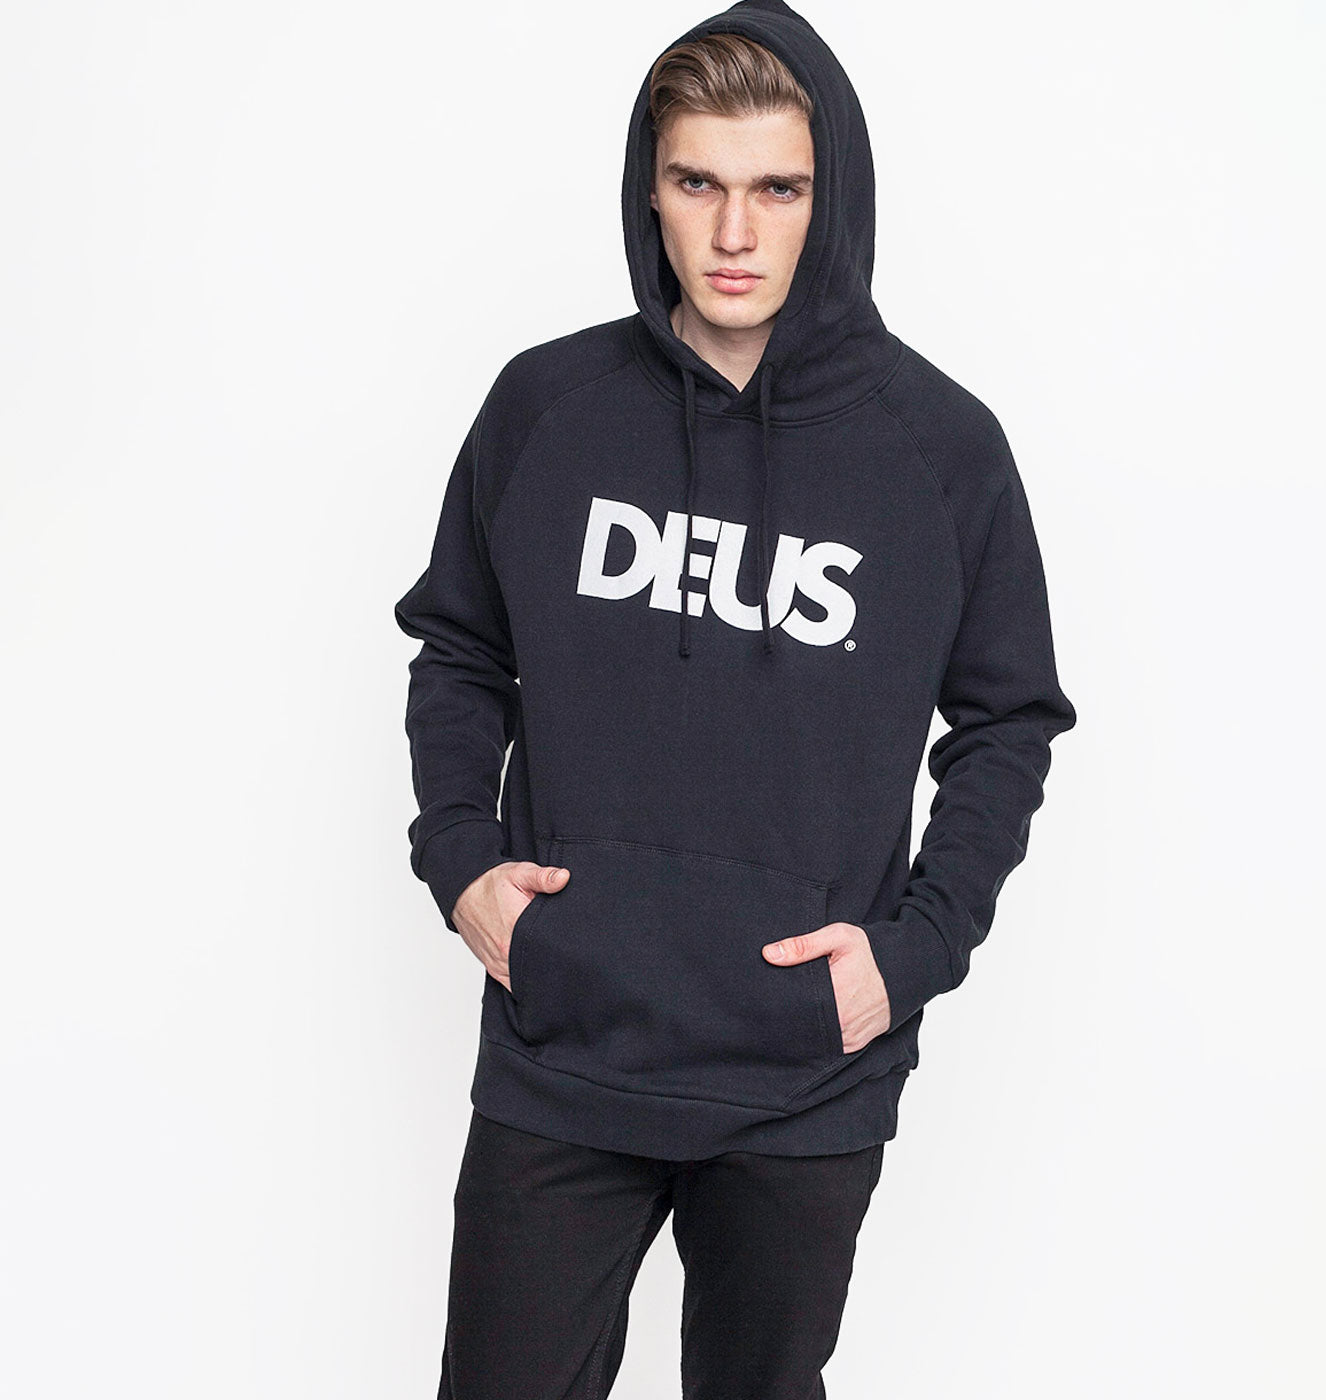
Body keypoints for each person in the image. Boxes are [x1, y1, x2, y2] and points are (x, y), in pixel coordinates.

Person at [393, 1, 1076, 1395]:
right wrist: (460, 860)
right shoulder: (547, 407)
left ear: (833, 197)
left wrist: (915, 952)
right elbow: (458, 647)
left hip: (805, 1072)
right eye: (698, 182)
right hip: (568, 1042)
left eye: (778, 189)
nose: (734, 234)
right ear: (649, 187)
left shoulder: (942, 452)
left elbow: (1009, 720)